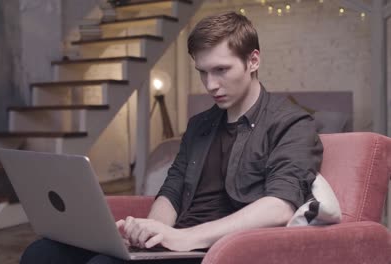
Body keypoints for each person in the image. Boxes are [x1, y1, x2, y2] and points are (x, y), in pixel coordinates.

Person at [20, 11, 323, 264]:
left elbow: (279, 205)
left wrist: (185, 237)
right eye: (203, 72)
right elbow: (173, 189)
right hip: (176, 240)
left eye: (221, 70)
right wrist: (153, 230)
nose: (211, 84)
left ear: (253, 60)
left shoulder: (292, 123)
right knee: (41, 253)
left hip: (216, 248)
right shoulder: (200, 125)